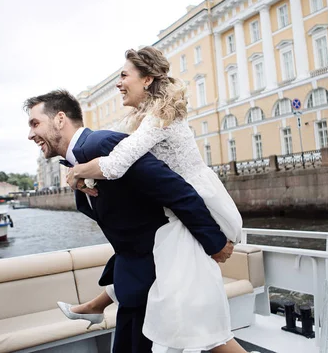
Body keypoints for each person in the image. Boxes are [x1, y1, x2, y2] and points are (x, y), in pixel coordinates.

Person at [60, 47, 246, 353]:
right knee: (159, 280)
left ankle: (97, 305)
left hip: (195, 205)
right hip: (176, 210)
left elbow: (117, 162)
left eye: (123, 76)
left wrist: (77, 171)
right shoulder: (141, 117)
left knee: (197, 319)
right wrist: (83, 172)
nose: (118, 83)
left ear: (146, 79)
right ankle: (96, 305)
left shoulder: (159, 116)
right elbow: (110, 149)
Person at [25, 90, 234, 353]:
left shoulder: (102, 144)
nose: (30, 134)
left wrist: (214, 243)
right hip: (135, 284)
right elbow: (126, 226)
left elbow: (175, 190)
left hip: (157, 277)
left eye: (35, 124)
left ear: (59, 119)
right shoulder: (76, 164)